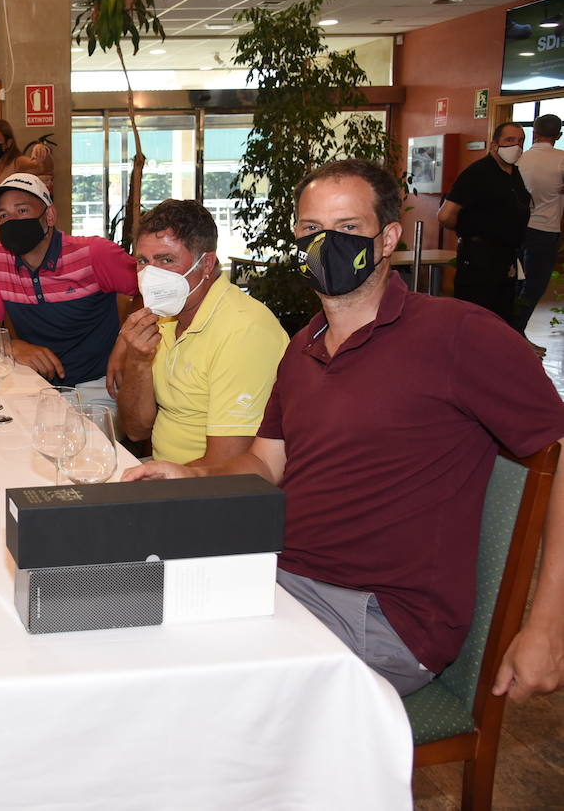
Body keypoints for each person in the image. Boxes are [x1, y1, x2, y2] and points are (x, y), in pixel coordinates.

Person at [124, 159, 564, 700]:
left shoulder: (456, 334)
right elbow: (265, 464)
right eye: (311, 229)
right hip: (281, 579)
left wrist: (548, 626)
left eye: (349, 229)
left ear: (388, 239)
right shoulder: (304, 345)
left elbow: (558, 450)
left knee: (182, 690)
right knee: (113, 619)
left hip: (382, 615)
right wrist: (188, 477)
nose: (326, 242)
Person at [115, 200, 287, 466]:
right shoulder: (162, 317)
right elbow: (136, 430)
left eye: (166, 260)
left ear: (206, 264)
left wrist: (150, 489)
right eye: (143, 261)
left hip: (212, 493)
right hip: (167, 475)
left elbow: (228, 464)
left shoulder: (244, 331)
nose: (151, 275)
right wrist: (137, 360)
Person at [0, 173, 137, 400]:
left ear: (49, 215)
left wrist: (126, 341)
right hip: (35, 384)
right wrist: (13, 346)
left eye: (22, 210)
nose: (11, 221)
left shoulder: (94, 253)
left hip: (98, 384)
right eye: (3, 215)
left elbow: (152, 293)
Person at [439, 122, 531, 322]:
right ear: (494, 145)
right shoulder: (478, 172)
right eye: (509, 140)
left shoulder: (513, 173)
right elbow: (446, 215)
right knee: (475, 314)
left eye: (520, 141)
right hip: (479, 256)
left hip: (506, 256)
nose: (516, 145)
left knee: (501, 314)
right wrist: (471, 231)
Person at [512, 114, 564, 347]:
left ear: (533, 133)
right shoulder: (562, 160)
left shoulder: (519, 159)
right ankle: (516, 334)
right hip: (545, 231)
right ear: (559, 136)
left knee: (515, 282)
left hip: (516, 229)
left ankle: (510, 332)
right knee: (534, 286)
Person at [0, 119, 53, 226]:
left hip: (14, 230)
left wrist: (42, 150)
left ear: (8, 143)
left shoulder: (18, 163)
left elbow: (42, 166)